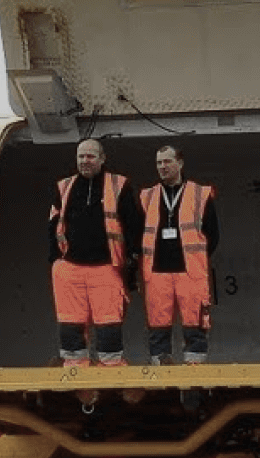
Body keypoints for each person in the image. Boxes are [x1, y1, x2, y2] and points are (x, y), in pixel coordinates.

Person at [49, 138, 143, 366]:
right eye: (81, 156)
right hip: (70, 269)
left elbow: (134, 225)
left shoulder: (119, 185)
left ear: (102, 159)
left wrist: (132, 257)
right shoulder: (64, 187)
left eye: (90, 156)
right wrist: (55, 261)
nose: (85, 161)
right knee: (70, 326)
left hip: (106, 267)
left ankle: (111, 373)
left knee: (109, 326)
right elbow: (52, 225)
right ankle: (76, 376)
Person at [136, 144, 220, 365]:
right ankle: (161, 377)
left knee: (195, 326)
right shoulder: (147, 196)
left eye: (167, 161)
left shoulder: (200, 194)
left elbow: (213, 235)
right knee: (157, 327)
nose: (162, 167)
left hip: (190, 272)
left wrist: (196, 258)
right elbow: (137, 234)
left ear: (180, 163)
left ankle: (194, 380)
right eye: (158, 163)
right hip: (156, 273)